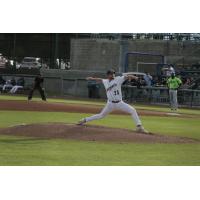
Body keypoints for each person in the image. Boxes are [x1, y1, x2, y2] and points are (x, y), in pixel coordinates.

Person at [78, 69, 149, 134]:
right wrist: (91, 78)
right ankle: (84, 120)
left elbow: (127, 76)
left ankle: (139, 127)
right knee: (101, 115)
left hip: (120, 103)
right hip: (110, 104)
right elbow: (100, 79)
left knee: (133, 110)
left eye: (114, 74)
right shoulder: (105, 81)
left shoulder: (118, 79)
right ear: (108, 75)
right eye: (111, 74)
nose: (113, 75)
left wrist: (136, 78)